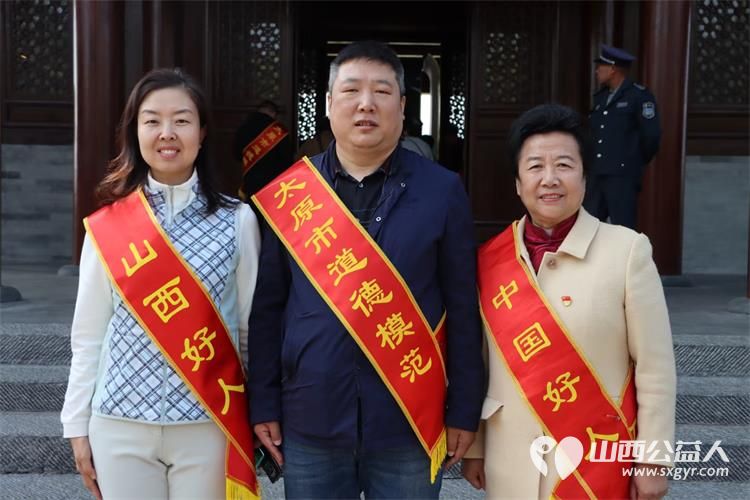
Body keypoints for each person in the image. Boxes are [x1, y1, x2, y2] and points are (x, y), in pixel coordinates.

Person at [248, 40, 484, 499]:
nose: (366, 104)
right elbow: (269, 309)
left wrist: (463, 409)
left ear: (402, 106)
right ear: (329, 103)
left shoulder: (442, 191)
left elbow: (462, 308)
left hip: (408, 417)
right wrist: (264, 401)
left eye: (381, 91)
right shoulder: (292, 194)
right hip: (310, 414)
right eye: (352, 90)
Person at [60, 68, 261, 500]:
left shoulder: (238, 220)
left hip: (207, 421)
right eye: (152, 120)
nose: (167, 133)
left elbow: (248, 329)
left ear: (202, 133)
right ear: (136, 132)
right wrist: (76, 424)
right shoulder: (108, 225)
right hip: (120, 422)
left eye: (182, 120)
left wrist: (255, 411)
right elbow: (89, 335)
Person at [463, 104, 676, 499]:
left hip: (597, 455)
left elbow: (655, 368)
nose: (550, 179)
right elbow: (479, 362)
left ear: (584, 176)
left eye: (564, 165)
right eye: (535, 167)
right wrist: (475, 447)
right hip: (511, 457)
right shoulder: (490, 259)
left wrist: (653, 459)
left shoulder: (627, 251)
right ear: (517, 182)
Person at [583, 44, 661, 229]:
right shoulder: (601, 97)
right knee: (588, 227)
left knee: (623, 229)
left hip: (622, 176)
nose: (597, 71)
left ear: (613, 69)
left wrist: (633, 160)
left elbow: (651, 136)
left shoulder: (639, 96)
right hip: (597, 174)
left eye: (600, 66)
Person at [233, 99, 293, 202]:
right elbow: (287, 159)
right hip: (273, 184)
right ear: (273, 113)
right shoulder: (278, 130)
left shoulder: (244, 128)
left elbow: (236, 154)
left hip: (250, 183)